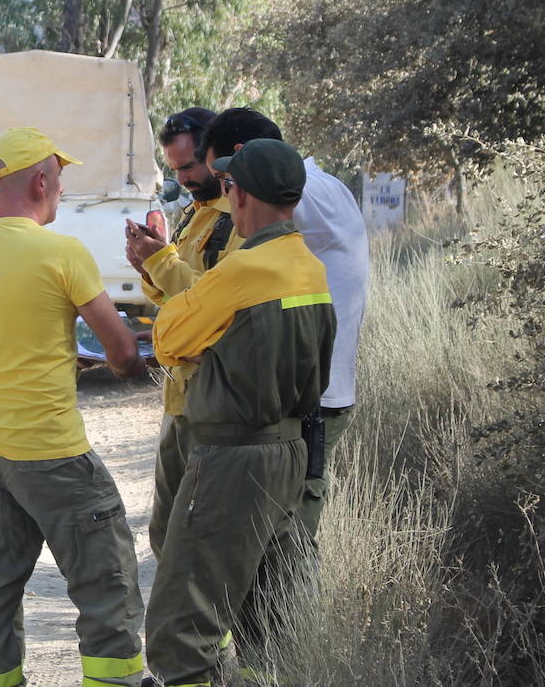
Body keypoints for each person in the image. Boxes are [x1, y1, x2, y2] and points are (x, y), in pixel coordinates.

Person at [0, 127, 147, 687]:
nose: (62, 190)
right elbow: (120, 348)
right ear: (41, 181)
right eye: (61, 178)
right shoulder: (63, 252)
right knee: (106, 584)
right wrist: (129, 367)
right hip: (52, 453)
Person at [145, 138, 336, 687]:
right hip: (292, 454)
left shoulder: (242, 271)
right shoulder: (310, 267)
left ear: (240, 194)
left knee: (182, 621)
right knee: (265, 611)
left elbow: (166, 339)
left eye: (229, 187)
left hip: (232, 459)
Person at [200, 107, 369, 545]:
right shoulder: (323, 187)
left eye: (228, 181)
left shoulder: (304, 191)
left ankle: (288, 614)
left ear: (245, 160)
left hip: (315, 399)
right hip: (312, 391)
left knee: (287, 535)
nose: (228, 194)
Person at [125, 108, 243, 561]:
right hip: (180, 398)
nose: (185, 179)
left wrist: (160, 262)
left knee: (197, 538)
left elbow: (211, 305)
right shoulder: (197, 215)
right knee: (168, 530)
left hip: (211, 399)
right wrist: (148, 264)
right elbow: (175, 299)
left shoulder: (238, 218)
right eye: (175, 170)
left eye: (191, 166)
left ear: (216, 155)